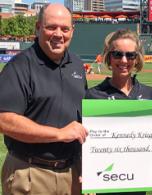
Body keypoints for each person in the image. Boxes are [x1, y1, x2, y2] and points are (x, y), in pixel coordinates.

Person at [0, 3, 88, 195]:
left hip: (72, 173)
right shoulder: (20, 66)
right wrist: (58, 134)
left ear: (72, 31)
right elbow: (4, 119)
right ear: (38, 28)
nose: (58, 34)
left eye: (65, 28)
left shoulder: (77, 66)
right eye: (51, 27)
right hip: (30, 173)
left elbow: (83, 117)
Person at [85, 29, 152, 195]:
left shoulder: (149, 94)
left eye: (130, 55)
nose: (124, 60)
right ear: (109, 57)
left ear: (137, 58)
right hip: (106, 182)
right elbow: (83, 143)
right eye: (117, 54)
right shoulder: (93, 96)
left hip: (138, 182)